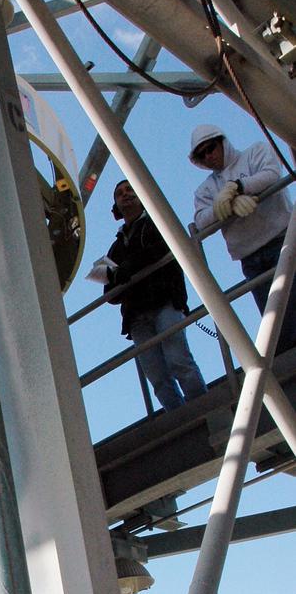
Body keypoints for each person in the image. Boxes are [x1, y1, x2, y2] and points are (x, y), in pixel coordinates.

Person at [190, 124, 296, 356]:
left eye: (211, 148)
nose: (209, 156)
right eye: (202, 154)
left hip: (283, 242)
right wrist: (225, 206)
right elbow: (200, 221)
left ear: (222, 142)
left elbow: (271, 173)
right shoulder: (206, 190)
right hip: (251, 259)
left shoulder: (255, 153)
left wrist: (238, 187)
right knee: (276, 323)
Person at [104, 180, 208, 411]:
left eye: (130, 190)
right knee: (157, 376)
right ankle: (180, 417)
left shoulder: (157, 224)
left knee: (179, 362)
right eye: (120, 193)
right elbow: (109, 293)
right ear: (116, 207)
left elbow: (163, 249)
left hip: (164, 302)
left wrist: (127, 269)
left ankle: (204, 408)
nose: (126, 195)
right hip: (136, 317)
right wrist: (119, 275)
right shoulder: (116, 247)